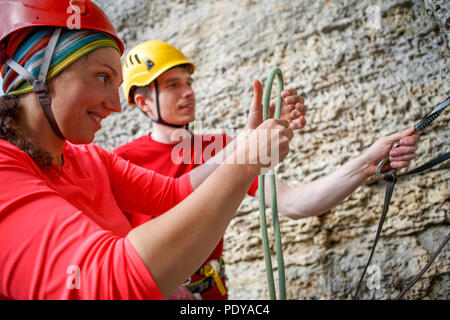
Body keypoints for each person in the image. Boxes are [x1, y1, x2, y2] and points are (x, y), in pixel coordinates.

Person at [0, 0, 295, 300]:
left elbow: (173, 195)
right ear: (40, 71)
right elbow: (109, 281)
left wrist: (243, 143)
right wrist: (245, 162)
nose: (115, 105)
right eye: (102, 77)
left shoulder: (92, 160)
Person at [114, 41, 421, 299]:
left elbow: (293, 203)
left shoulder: (222, 146)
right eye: (172, 85)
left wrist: (367, 162)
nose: (188, 92)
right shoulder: (123, 162)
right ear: (143, 102)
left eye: (189, 82)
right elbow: (113, 254)